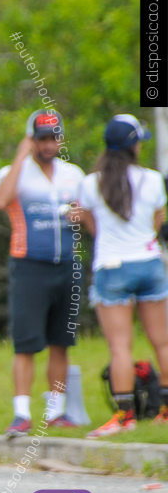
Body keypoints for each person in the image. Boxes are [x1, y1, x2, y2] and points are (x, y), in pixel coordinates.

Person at [0, 109, 85, 437]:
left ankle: (56, 410)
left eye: (54, 138)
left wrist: (80, 216)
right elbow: (0, 200)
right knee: (26, 343)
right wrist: (20, 155)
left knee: (61, 342)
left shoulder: (73, 175)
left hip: (67, 265)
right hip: (29, 265)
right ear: (32, 139)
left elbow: (90, 221)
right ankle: (21, 413)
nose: (49, 145)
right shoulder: (13, 173)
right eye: (42, 138)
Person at [77, 114, 168, 437]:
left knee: (120, 347)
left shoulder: (91, 183)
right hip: (148, 262)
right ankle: (165, 411)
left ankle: (125, 415)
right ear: (134, 147)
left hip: (112, 265)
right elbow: (158, 220)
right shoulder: (153, 179)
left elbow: (90, 224)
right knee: (162, 341)